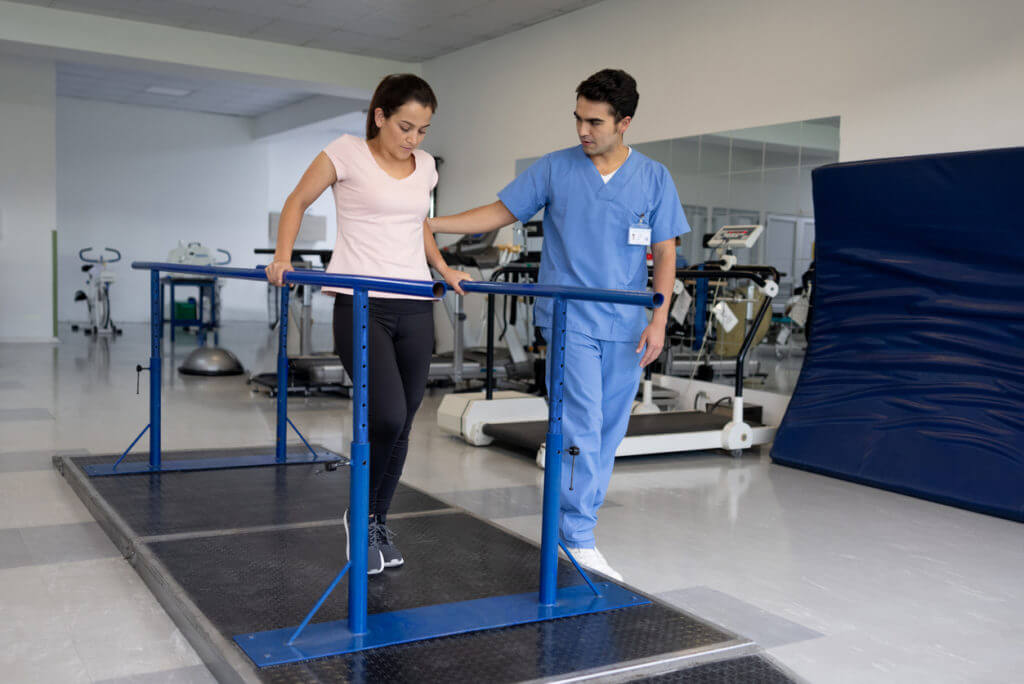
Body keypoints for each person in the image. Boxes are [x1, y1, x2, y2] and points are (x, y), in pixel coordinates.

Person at [429, 69, 689, 580]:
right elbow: (500, 212)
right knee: (581, 424)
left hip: (628, 323)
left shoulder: (655, 177)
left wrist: (658, 319)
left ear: (625, 123)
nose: (582, 131)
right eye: (578, 119)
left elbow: (665, 251)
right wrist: (433, 223)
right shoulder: (555, 169)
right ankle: (576, 533)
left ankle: (579, 523)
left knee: (609, 432)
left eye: (594, 122)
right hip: (571, 318)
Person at [265, 74, 469, 575]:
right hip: (360, 306)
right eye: (405, 126)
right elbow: (296, 202)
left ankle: (378, 519)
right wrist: (282, 258)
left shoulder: (424, 168)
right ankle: (359, 516)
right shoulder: (346, 152)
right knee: (387, 417)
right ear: (380, 116)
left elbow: (415, 223)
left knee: (404, 425)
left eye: (422, 130)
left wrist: (443, 269)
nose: (413, 139)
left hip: (416, 304)